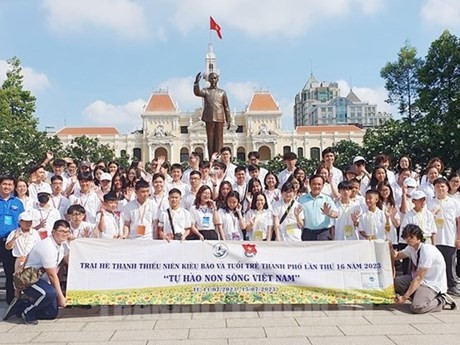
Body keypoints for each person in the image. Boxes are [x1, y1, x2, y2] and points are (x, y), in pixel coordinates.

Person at [3, 220, 70, 324]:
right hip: (29, 279)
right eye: (61, 231)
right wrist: (61, 297)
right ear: (53, 232)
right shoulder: (47, 246)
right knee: (49, 293)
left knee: (51, 313)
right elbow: (52, 275)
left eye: (67, 232)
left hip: (42, 280)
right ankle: (28, 312)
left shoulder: (63, 245)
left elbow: (68, 260)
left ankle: (20, 306)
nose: (64, 234)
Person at [391, 224, 456, 314]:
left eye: (411, 237)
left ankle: (441, 300)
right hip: (421, 280)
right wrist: (389, 246)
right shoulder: (411, 248)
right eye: (406, 237)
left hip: (432, 284)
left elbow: (419, 278)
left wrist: (404, 298)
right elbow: (396, 256)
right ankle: (417, 295)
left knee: (417, 307)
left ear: (418, 237)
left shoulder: (427, 250)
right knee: (396, 283)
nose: (409, 239)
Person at [427, 177, 460, 297]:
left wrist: (458, 238)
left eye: (442, 186)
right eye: (437, 186)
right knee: (434, 264)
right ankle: (435, 286)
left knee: (450, 262)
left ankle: (451, 285)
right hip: (434, 239)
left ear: (447, 188)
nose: (440, 189)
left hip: (449, 238)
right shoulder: (430, 202)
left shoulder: (454, 202)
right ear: (434, 188)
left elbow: (458, 221)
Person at [194, 72, 231, 158]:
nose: (213, 80)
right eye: (211, 78)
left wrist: (228, 120)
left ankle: (218, 157)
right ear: (209, 80)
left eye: (215, 78)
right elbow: (197, 93)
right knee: (210, 139)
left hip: (220, 118)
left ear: (217, 79)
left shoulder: (222, 92)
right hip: (209, 117)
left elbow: (226, 107)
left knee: (219, 139)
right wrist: (196, 83)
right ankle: (212, 157)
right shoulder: (206, 91)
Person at [0, 175, 25, 305]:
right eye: (5, 184)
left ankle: (11, 300)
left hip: (9, 242)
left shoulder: (18, 203)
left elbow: (22, 223)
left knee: (10, 272)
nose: (7, 187)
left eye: (10, 185)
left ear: (13, 187)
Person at [298, 174, 338, 241]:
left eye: (319, 184)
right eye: (314, 184)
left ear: (322, 186)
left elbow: (336, 214)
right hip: (307, 233)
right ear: (310, 185)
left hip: (324, 233)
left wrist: (329, 213)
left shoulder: (327, 199)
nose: (316, 186)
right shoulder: (302, 199)